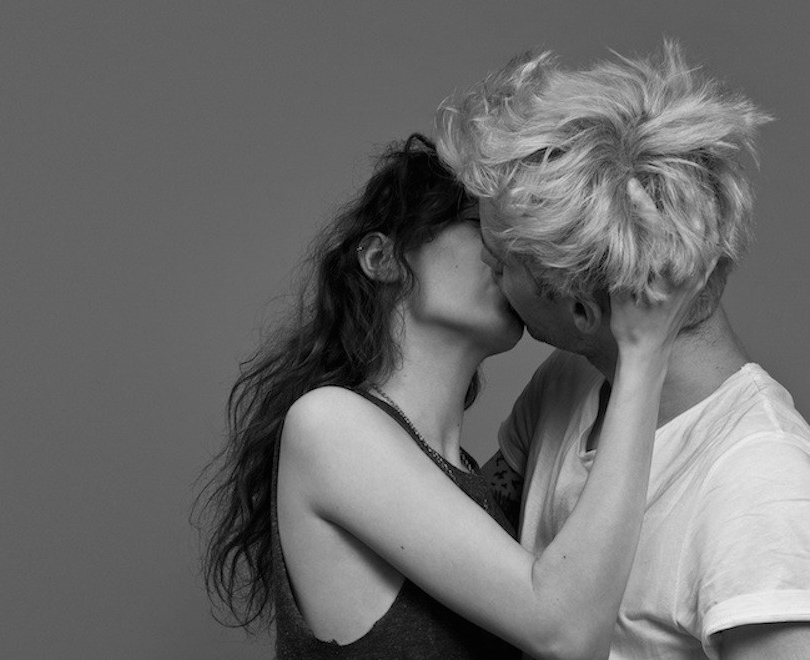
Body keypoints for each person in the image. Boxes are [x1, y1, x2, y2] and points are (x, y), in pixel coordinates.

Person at [193, 134, 706, 659]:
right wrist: (643, 350)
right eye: (483, 227)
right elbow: (566, 631)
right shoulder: (329, 425)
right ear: (383, 257)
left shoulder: (474, 482)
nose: (510, 253)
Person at [436, 41, 810, 658]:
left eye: (499, 262)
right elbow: (466, 556)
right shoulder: (568, 381)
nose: (484, 268)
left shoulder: (760, 482)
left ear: (581, 309)